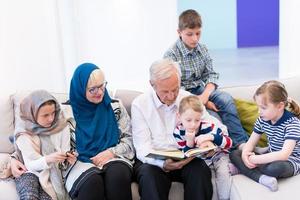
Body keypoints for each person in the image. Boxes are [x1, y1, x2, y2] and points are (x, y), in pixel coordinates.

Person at [163, 9, 248, 148]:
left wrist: (205, 96)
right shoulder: (171, 55)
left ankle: (242, 144)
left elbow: (211, 75)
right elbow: (176, 87)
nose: (195, 39)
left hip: (202, 90)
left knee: (226, 100)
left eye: (198, 33)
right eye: (189, 34)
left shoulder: (202, 49)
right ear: (179, 32)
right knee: (214, 116)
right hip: (183, 95)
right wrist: (205, 103)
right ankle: (227, 148)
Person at [131, 58, 214, 200]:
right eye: (165, 91)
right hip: (154, 162)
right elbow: (142, 148)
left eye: (175, 89)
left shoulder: (188, 98)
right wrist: (163, 164)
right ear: (152, 85)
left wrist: (208, 141)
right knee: (149, 176)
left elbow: (213, 128)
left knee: (200, 171)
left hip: (186, 157)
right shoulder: (140, 104)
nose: (171, 96)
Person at [65, 63, 135, 200]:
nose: (100, 92)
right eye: (93, 89)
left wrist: (112, 152)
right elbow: (58, 147)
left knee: (117, 176)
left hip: (114, 157)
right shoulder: (66, 114)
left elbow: (130, 139)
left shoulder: (115, 106)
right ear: (80, 89)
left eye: (102, 86)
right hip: (80, 163)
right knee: (91, 182)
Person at [230, 80, 300, 192]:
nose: (259, 111)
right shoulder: (263, 120)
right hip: (270, 155)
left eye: (263, 108)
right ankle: (261, 178)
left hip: (291, 161)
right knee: (234, 153)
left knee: (274, 168)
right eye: (258, 107)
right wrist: (245, 155)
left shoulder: (292, 124)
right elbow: (250, 143)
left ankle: (244, 169)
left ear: (280, 106)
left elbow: (284, 155)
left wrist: (255, 159)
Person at [14, 90, 76, 200]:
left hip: (54, 174)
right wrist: (48, 159)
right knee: (29, 196)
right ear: (32, 114)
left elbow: (65, 152)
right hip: (30, 173)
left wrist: (68, 158)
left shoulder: (61, 125)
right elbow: (29, 165)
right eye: (45, 115)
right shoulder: (24, 133)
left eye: (53, 113)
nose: (51, 119)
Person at [173, 95, 233, 200]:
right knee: (203, 176)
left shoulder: (209, 127)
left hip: (218, 156)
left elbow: (229, 143)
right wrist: (190, 141)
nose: (193, 125)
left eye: (197, 120)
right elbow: (186, 154)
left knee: (223, 174)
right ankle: (233, 168)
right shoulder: (178, 132)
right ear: (179, 116)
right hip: (202, 161)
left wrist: (211, 137)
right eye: (188, 120)